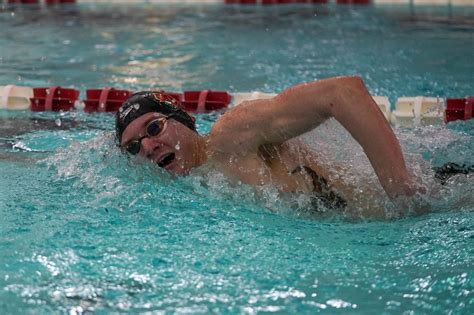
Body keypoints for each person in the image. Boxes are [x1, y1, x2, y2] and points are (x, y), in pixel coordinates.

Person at [115, 76, 471, 217]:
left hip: (444, 195)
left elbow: (342, 92)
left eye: (154, 127)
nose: (147, 146)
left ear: (184, 120)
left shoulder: (231, 137)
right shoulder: (194, 192)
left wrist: (402, 186)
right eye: (133, 147)